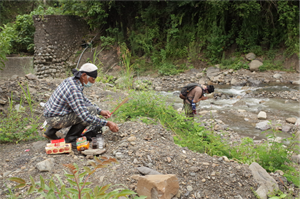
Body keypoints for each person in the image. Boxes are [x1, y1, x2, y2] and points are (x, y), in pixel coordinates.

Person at [43, 63, 119, 147]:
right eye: (92, 79)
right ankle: (71, 139)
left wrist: (100, 111)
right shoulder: (74, 89)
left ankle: (50, 132)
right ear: (83, 75)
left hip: (52, 114)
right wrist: (107, 123)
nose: (93, 82)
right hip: (55, 119)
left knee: (89, 109)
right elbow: (85, 117)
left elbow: (82, 99)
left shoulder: (72, 80)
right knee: (90, 112)